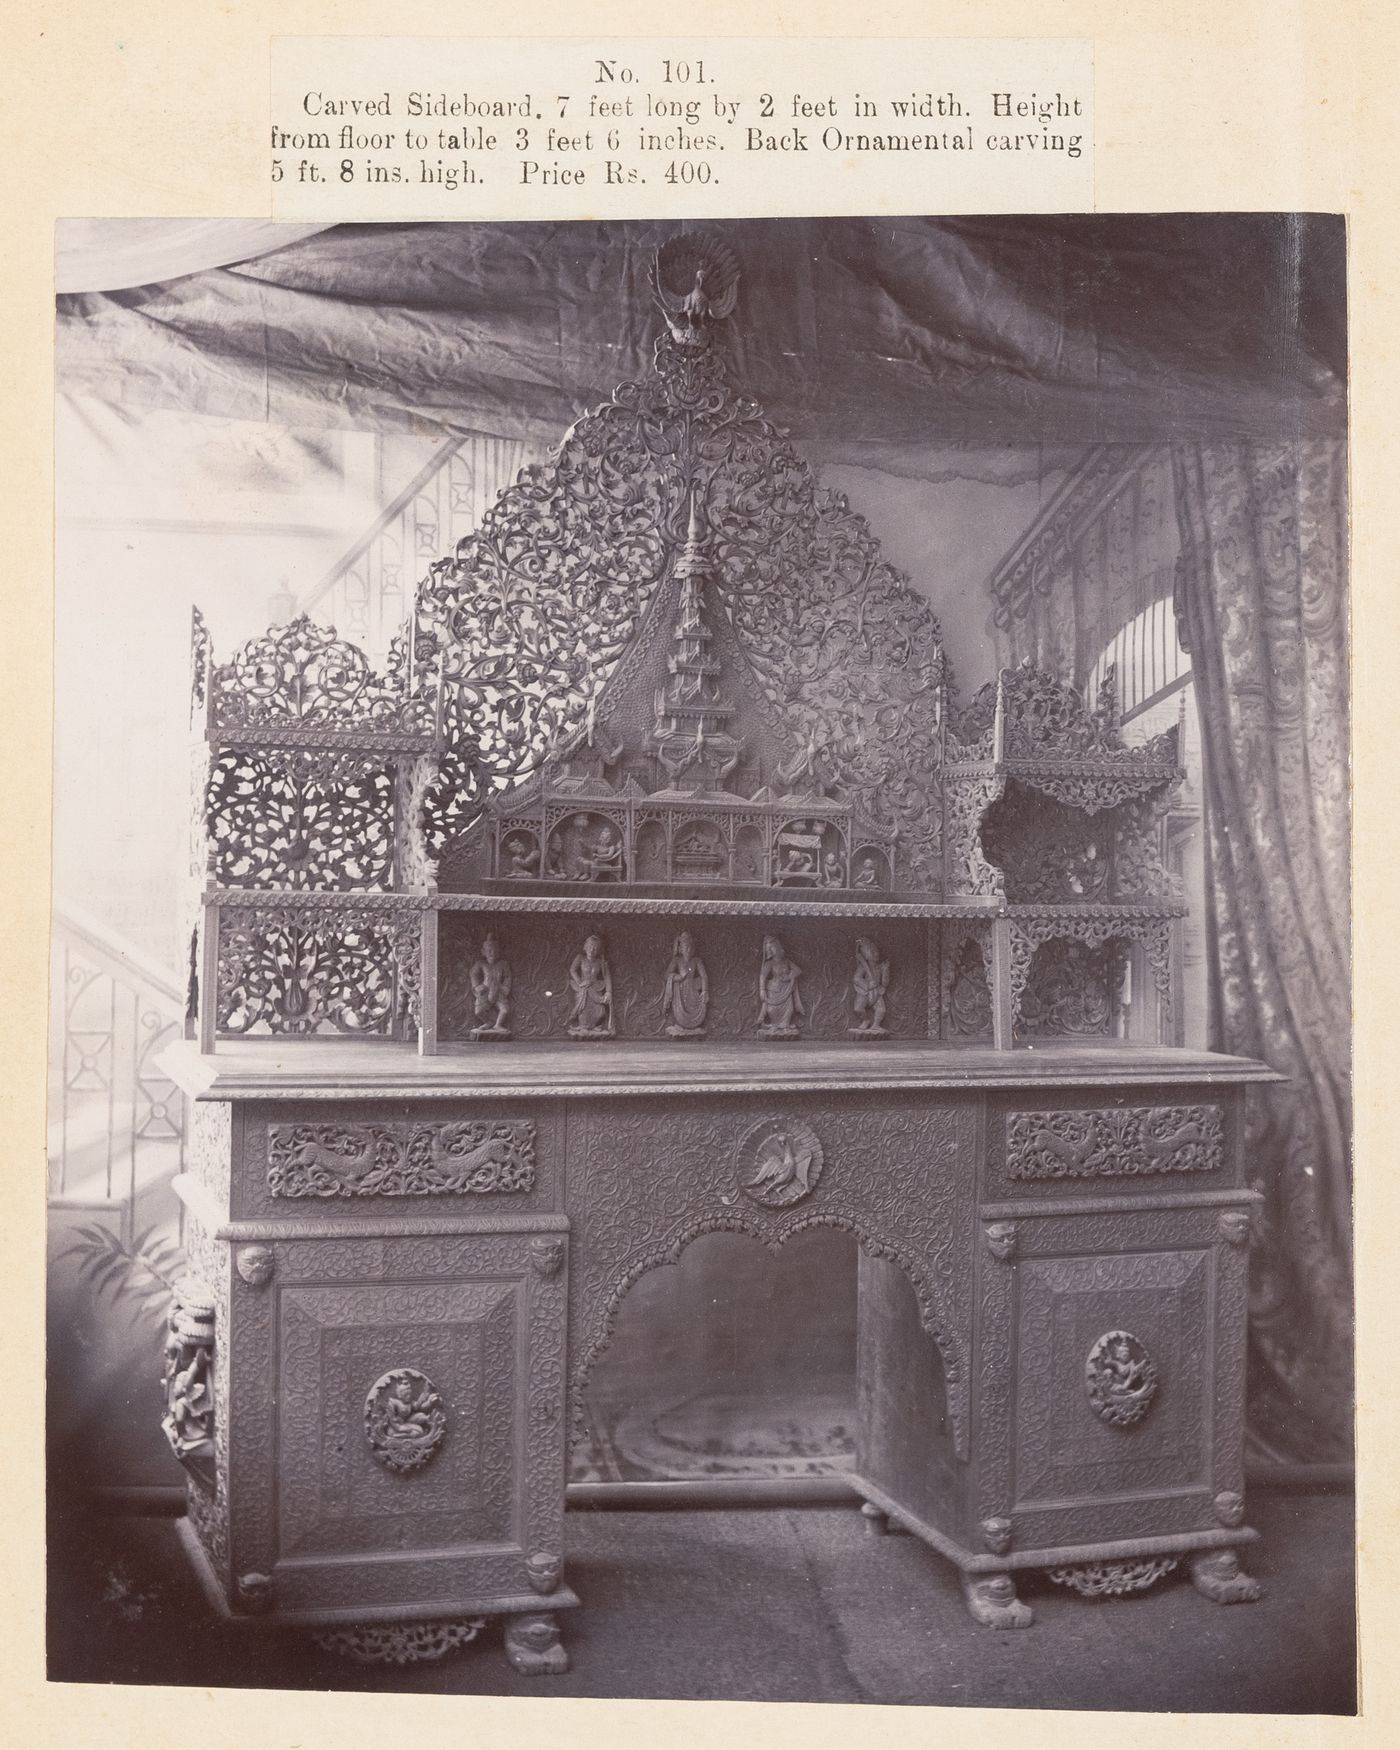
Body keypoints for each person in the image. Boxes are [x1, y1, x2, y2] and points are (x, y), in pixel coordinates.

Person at [662, 931, 709, 1036]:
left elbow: (704, 976)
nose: (689, 950)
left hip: (693, 990)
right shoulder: (677, 960)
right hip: (680, 992)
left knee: (698, 1006)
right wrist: (677, 977)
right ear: (680, 949)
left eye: (691, 947)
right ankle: (681, 1026)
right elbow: (666, 975)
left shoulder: (696, 960)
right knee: (681, 1010)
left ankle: (693, 1026)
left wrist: (705, 991)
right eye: (686, 947)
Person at [568, 932, 615, 1037]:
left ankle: (593, 1026)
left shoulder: (600, 962)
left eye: (595, 948)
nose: (591, 949)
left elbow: (607, 976)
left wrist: (608, 992)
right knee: (583, 1008)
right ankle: (583, 1027)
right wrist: (580, 982)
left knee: (600, 1010)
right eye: (589, 946)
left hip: (596, 988)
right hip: (583, 989)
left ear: (598, 950)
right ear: (585, 947)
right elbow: (572, 970)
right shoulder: (580, 958)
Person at [756, 935, 803, 1035]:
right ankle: (774, 1026)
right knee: (772, 1009)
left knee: (789, 1009)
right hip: (774, 990)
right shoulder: (769, 964)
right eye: (777, 948)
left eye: (780, 947)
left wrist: (790, 976)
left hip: (787, 990)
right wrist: (762, 989)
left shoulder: (787, 962)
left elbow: (798, 970)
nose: (781, 950)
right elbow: (762, 977)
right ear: (772, 951)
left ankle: (785, 1026)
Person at [468, 933, 512, 1037]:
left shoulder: (503, 964)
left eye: (495, 951)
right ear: (483, 952)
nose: (492, 953)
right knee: (478, 1012)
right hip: (485, 990)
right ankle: (489, 1022)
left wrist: (505, 988)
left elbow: (507, 977)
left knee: (505, 1010)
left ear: (499, 951)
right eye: (489, 951)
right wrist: (476, 986)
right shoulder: (481, 964)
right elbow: (473, 973)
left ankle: (498, 1025)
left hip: (498, 990)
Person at [850, 936, 889, 1036]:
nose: (876, 954)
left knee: (881, 1010)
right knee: (858, 1008)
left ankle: (876, 1025)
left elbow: (884, 983)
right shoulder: (863, 966)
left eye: (877, 952)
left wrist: (885, 971)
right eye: (873, 952)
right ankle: (866, 1020)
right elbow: (856, 978)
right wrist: (868, 985)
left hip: (876, 993)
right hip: (865, 992)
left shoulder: (880, 967)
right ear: (866, 955)